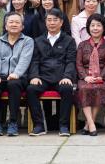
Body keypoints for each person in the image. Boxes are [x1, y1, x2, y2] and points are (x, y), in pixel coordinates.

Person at [27, 8, 77, 137]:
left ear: (61, 22)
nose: (52, 23)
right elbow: (34, 61)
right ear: (45, 22)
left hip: (61, 77)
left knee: (67, 88)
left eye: (55, 20)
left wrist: (67, 76)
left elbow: (70, 61)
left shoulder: (69, 40)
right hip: (43, 77)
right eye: (49, 20)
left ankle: (64, 126)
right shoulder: (38, 40)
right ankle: (39, 125)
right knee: (31, 89)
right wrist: (34, 76)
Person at [0, 12, 34, 137]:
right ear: (6, 26)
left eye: (17, 22)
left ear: (22, 26)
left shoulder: (28, 41)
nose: (14, 24)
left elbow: (25, 60)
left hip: (19, 77)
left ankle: (13, 122)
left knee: (13, 84)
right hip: (1, 76)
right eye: (11, 22)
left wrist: (16, 73)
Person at [75, 13, 105, 136]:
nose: (95, 28)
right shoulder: (82, 45)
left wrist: (100, 77)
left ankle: (88, 124)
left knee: (99, 88)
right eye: (92, 25)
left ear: (103, 28)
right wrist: (86, 77)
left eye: (98, 25)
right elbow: (79, 64)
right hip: (85, 77)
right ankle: (91, 123)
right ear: (88, 27)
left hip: (102, 77)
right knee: (84, 88)